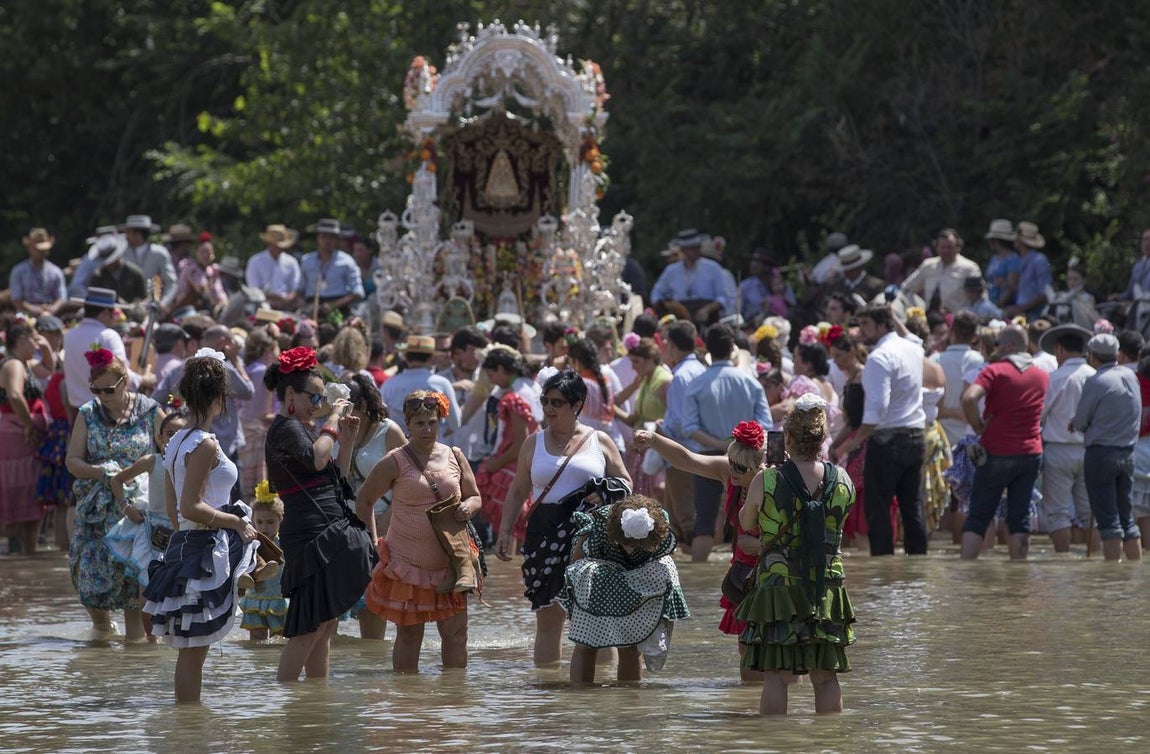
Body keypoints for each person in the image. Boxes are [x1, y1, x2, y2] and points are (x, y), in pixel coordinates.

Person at [142, 352, 260, 702]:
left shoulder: (176, 439)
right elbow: (190, 504)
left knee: (191, 649)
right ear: (219, 398)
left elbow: (176, 508)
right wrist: (236, 523)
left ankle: (189, 729)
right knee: (194, 651)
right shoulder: (204, 443)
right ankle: (189, 724)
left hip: (189, 542)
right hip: (206, 545)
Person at [495, 369, 632, 667]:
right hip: (543, 534)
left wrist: (606, 492)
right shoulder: (533, 443)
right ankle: (548, 698)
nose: (549, 409)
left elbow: (626, 483)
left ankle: (602, 691)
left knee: (595, 618)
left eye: (557, 402)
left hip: (591, 534)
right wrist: (505, 532)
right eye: (545, 401)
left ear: (576, 405)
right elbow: (518, 491)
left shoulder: (601, 441)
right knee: (548, 619)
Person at [736, 394, 856, 715]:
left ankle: (776, 745)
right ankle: (828, 744)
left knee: (775, 676)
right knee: (826, 677)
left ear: (787, 437)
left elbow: (747, 523)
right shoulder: (842, 479)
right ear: (823, 438)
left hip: (778, 587)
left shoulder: (768, 478)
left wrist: (754, 483)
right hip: (827, 588)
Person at [263, 346, 377, 681]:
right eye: (314, 398)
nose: (318, 404)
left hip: (326, 524)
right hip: (310, 533)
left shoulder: (301, 428)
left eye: (321, 398)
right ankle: (288, 703)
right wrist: (331, 420)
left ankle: (315, 700)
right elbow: (315, 459)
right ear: (290, 396)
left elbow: (335, 477)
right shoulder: (284, 428)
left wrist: (349, 441)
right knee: (307, 629)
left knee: (326, 625)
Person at [633, 420, 767, 682]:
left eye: (741, 467)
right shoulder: (729, 473)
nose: (734, 471)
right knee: (748, 651)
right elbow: (686, 460)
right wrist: (653, 439)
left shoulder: (775, 480)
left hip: (774, 572)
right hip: (743, 576)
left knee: (775, 654)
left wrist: (763, 546)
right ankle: (752, 713)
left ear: (759, 466)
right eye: (732, 463)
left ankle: (778, 713)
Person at [358, 390, 481, 672]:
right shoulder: (395, 460)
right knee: (410, 635)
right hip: (407, 565)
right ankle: (406, 704)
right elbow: (365, 500)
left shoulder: (455, 455)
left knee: (456, 636)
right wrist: (373, 542)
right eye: (420, 423)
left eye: (432, 422)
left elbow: (475, 495)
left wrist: (468, 507)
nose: (427, 429)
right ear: (408, 425)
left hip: (451, 563)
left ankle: (454, 700)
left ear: (440, 422)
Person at [65, 348, 162, 641]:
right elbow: (72, 462)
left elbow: (171, 447)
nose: (103, 396)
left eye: (109, 390)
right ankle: (103, 629)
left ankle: (134, 666)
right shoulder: (88, 413)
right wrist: (100, 471)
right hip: (97, 511)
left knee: (133, 584)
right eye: (96, 390)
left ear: (125, 383)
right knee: (90, 582)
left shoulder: (150, 410)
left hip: (136, 511)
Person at [558, 494, 689, 683]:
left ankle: (629, 702)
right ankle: (581, 698)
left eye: (640, 546)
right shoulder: (599, 527)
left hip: (638, 581)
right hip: (598, 580)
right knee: (586, 644)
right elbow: (577, 559)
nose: (632, 550)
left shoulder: (660, 528)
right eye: (627, 545)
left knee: (631, 646)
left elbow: (669, 557)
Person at [837, 304, 928, 555]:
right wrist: (894, 315)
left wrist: (851, 444)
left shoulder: (879, 357)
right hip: (915, 436)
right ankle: (918, 567)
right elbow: (914, 337)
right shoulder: (911, 348)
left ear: (881, 325)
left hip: (887, 440)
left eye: (866, 325)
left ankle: (883, 573)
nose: (861, 332)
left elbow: (877, 409)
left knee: (878, 510)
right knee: (912, 508)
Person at [681, 324, 772, 561]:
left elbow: (689, 428)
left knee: (704, 522)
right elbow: (766, 424)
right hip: (749, 457)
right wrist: (738, 444)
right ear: (733, 348)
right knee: (757, 519)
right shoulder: (751, 382)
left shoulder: (697, 383)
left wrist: (722, 447)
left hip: (710, 455)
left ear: (707, 349)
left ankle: (699, 587)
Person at [960, 325, 1048, 559]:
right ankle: (1019, 575)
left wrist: (978, 426)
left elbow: (969, 398)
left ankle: (964, 573)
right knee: (1019, 517)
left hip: (996, 452)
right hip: (1030, 453)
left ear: (1008, 346)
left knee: (979, 515)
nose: (994, 349)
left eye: (998, 344)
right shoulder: (1040, 375)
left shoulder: (995, 371)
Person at [340, 373, 405, 640]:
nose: (344, 411)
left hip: (381, 524)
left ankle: (372, 666)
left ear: (365, 404)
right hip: (344, 527)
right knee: (332, 612)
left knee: (373, 606)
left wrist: (387, 523)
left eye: (350, 405)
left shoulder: (388, 431)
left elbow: (408, 481)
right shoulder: (337, 429)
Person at [1073, 333, 1143, 561]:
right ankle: (1133, 569)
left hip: (1101, 454)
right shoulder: (1131, 376)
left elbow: (1081, 421)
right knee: (1127, 519)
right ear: (1116, 354)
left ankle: (1112, 579)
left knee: (1108, 521)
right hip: (1127, 453)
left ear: (1092, 357)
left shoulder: (1096, 381)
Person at [105, 410, 189, 593]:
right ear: (160, 438)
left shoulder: (194, 464)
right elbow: (116, 480)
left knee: (179, 593)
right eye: (170, 433)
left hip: (183, 530)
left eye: (180, 433)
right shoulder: (151, 462)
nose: (174, 438)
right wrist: (126, 508)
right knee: (147, 595)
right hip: (153, 531)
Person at [475, 348, 542, 546]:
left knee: (510, 531)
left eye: (492, 374)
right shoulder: (532, 386)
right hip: (532, 463)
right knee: (521, 529)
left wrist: (494, 465)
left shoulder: (514, 397)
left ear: (502, 369)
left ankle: (509, 575)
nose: (493, 380)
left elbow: (521, 441)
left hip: (513, 467)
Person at [1038, 324, 1095, 552]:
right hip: (1089, 450)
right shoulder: (1095, 376)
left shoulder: (1054, 378)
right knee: (1090, 512)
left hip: (1058, 450)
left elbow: (1040, 414)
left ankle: (1062, 562)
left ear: (1060, 349)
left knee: (1058, 513)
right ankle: (1095, 562)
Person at [0, 321, 50, 553]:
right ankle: (20, 549)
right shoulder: (13, 365)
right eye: (33, 340)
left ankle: (27, 552)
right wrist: (29, 425)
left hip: (21, 433)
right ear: (21, 340)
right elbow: (14, 395)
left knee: (28, 489)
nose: (36, 345)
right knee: (21, 487)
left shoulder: (24, 364)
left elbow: (48, 369)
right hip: (17, 434)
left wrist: (46, 347)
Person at [657, 319, 706, 547]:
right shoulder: (701, 369)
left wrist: (659, 430)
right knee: (685, 517)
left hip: (680, 453)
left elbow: (677, 423)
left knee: (683, 521)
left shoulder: (681, 376)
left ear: (674, 346)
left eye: (666, 342)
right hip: (701, 451)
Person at [827, 333, 873, 547]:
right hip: (853, 440)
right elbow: (851, 420)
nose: (835, 361)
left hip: (865, 441)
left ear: (851, 352)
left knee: (859, 495)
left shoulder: (865, 376)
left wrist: (847, 444)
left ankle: (863, 542)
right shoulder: (850, 378)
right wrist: (836, 444)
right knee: (849, 494)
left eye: (838, 355)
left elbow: (867, 418)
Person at [613, 337, 672, 497]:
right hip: (640, 453)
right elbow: (635, 420)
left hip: (656, 454)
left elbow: (674, 417)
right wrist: (611, 408)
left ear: (650, 360)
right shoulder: (645, 381)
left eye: (636, 362)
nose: (633, 367)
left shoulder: (665, 380)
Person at [381, 335, 462, 435]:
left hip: (399, 447)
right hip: (432, 447)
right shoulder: (441, 384)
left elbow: (381, 422)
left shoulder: (389, 385)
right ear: (432, 357)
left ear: (406, 357)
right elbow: (455, 423)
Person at [649, 229, 732, 325]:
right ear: (683, 250)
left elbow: (723, 297)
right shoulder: (671, 271)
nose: (696, 251)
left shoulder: (713, 268)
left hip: (707, 316)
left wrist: (707, 310)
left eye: (698, 247)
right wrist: (666, 306)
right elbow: (656, 293)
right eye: (692, 248)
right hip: (680, 316)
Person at [240, 482, 289, 641]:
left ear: (280, 519)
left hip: (278, 599)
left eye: (270, 522)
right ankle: (258, 666)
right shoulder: (251, 542)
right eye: (259, 522)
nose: (264, 527)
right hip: (255, 598)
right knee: (256, 640)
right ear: (252, 519)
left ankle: (274, 665)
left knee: (279, 639)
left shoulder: (284, 543)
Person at [238, 327, 279, 498]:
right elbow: (265, 413)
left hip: (243, 432)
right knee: (257, 490)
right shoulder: (263, 372)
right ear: (268, 350)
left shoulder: (246, 369)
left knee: (246, 489)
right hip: (258, 434)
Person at [900, 229, 981, 314]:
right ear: (937, 248)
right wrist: (916, 311)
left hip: (958, 321)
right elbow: (906, 288)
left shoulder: (970, 268)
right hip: (930, 319)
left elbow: (980, 300)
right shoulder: (928, 265)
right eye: (942, 247)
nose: (946, 251)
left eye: (950, 247)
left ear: (958, 247)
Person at [298, 218, 364, 318]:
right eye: (324, 236)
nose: (327, 240)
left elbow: (357, 292)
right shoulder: (307, 260)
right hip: (311, 308)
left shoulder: (347, 261)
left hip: (339, 310)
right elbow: (299, 290)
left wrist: (333, 305)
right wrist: (305, 305)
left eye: (332, 237)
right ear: (318, 238)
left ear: (337, 239)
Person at [120, 214, 178, 310]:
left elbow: (171, 282)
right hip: (125, 306)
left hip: (151, 307)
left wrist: (163, 303)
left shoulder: (159, 253)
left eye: (129, 232)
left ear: (138, 234)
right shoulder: (122, 252)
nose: (126, 236)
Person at [11, 228, 67, 317]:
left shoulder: (56, 272)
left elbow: (61, 298)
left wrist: (52, 309)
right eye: (38, 249)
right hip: (26, 316)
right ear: (30, 248)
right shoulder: (19, 271)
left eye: (44, 249)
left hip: (51, 316)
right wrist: (36, 310)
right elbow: (16, 299)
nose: (42, 252)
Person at [169, 233, 228, 317]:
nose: (205, 255)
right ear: (197, 253)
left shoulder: (212, 270)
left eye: (208, 252)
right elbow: (202, 289)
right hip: (184, 309)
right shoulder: (190, 268)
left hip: (205, 308)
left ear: (213, 254)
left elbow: (219, 291)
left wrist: (224, 303)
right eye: (202, 252)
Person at [246, 224, 302, 310]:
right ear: (269, 243)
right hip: (261, 307)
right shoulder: (255, 261)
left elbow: (296, 286)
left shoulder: (291, 262)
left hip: (287, 307)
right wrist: (277, 298)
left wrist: (289, 298)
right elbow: (254, 289)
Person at [1006, 222, 1053, 320]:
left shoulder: (1039, 260)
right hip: (1024, 312)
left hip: (1035, 314)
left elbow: (1044, 293)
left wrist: (1020, 309)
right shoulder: (1022, 260)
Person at [983, 219, 1020, 310]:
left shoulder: (1014, 259)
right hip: (990, 302)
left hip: (1004, 306)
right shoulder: (994, 258)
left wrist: (998, 305)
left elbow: (1011, 287)